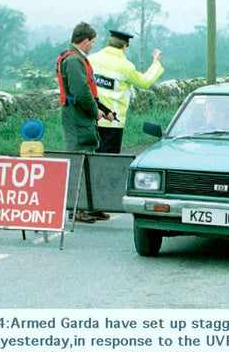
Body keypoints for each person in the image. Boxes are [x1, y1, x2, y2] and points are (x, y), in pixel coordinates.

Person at [56, 22, 109, 223]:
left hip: (81, 116)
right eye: (92, 42)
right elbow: (81, 92)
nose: (93, 46)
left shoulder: (75, 59)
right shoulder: (73, 61)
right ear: (85, 41)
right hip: (76, 117)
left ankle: (89, 207)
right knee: (78, 160)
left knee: (87, 160)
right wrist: (96, 112)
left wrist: (101, 109)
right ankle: (75, 210)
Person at [88, 30, 165, 154]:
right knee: (109, 162)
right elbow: (144, 82)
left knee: (90, 160)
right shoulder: (125, 66)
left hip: (92, 118)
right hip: (113, 122)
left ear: (109, 42)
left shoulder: (91, 59)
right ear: (124, 47)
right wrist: (156, 62)